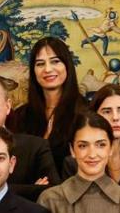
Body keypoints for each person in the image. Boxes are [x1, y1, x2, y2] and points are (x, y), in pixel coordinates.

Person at [10, 36, 84, 165]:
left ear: (67, 65)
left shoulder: (85, 112)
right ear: (33, 71)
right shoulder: (21, 116)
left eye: (55, 61)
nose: (48, 69)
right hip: (31, 184)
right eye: (40, 64)